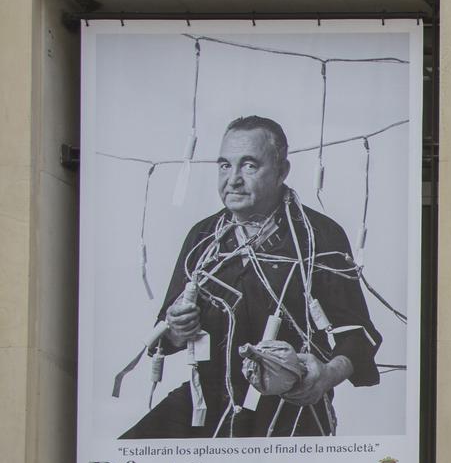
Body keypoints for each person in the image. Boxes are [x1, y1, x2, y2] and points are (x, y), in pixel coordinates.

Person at [126, 115, 382, 438]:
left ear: (281, 172)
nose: (232, 179)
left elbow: (359, 337)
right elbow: (165, 335)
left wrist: (327, 375)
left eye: (248, 166)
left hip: (290, 411)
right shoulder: (203, 239)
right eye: (224, 165)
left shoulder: (319, 237)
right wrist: (177, 328)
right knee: (130, 457)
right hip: (206, 405)